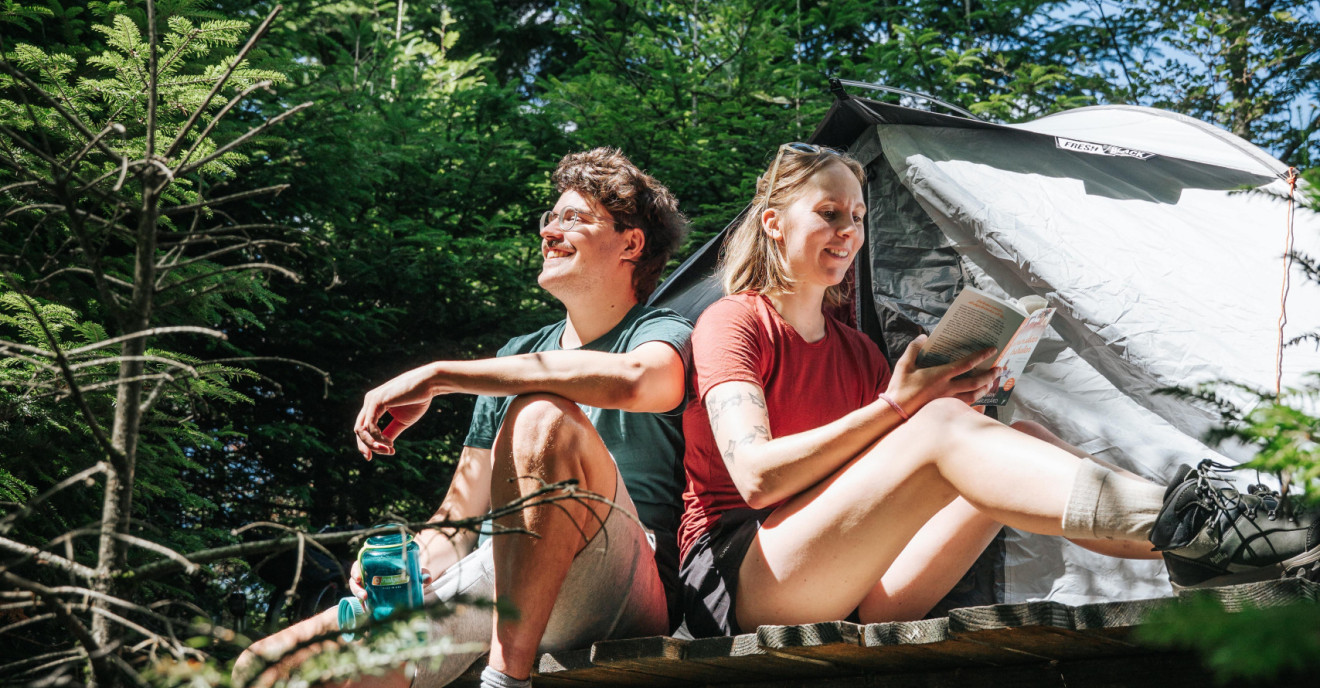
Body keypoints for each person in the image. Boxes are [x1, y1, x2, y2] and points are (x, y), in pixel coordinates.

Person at [677, 142, 1320, 637]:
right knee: (936, 430)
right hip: (746, 580)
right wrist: (901, 409)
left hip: (850, 576)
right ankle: (1198, 522)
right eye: (828, 213)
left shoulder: (858, 350)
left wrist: (946, 402)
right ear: (772, 224)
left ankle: (1227, 555)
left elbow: (876, 475)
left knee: (1016, 436)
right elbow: (757, 478)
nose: (849, 230)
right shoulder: (734, 321)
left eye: (858, 216)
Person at [235, 147, 692, 688]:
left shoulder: (664, 333)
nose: (549, 231)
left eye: (574, 218)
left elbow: (644, 380)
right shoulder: (516, 354)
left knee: (542, 415)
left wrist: (438, 375)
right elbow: (459, 518)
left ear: (631, 243)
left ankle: (504, 680)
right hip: (498, 578)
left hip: (620, 582)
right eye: (550, 218)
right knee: (266, 667)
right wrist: (404, 565)